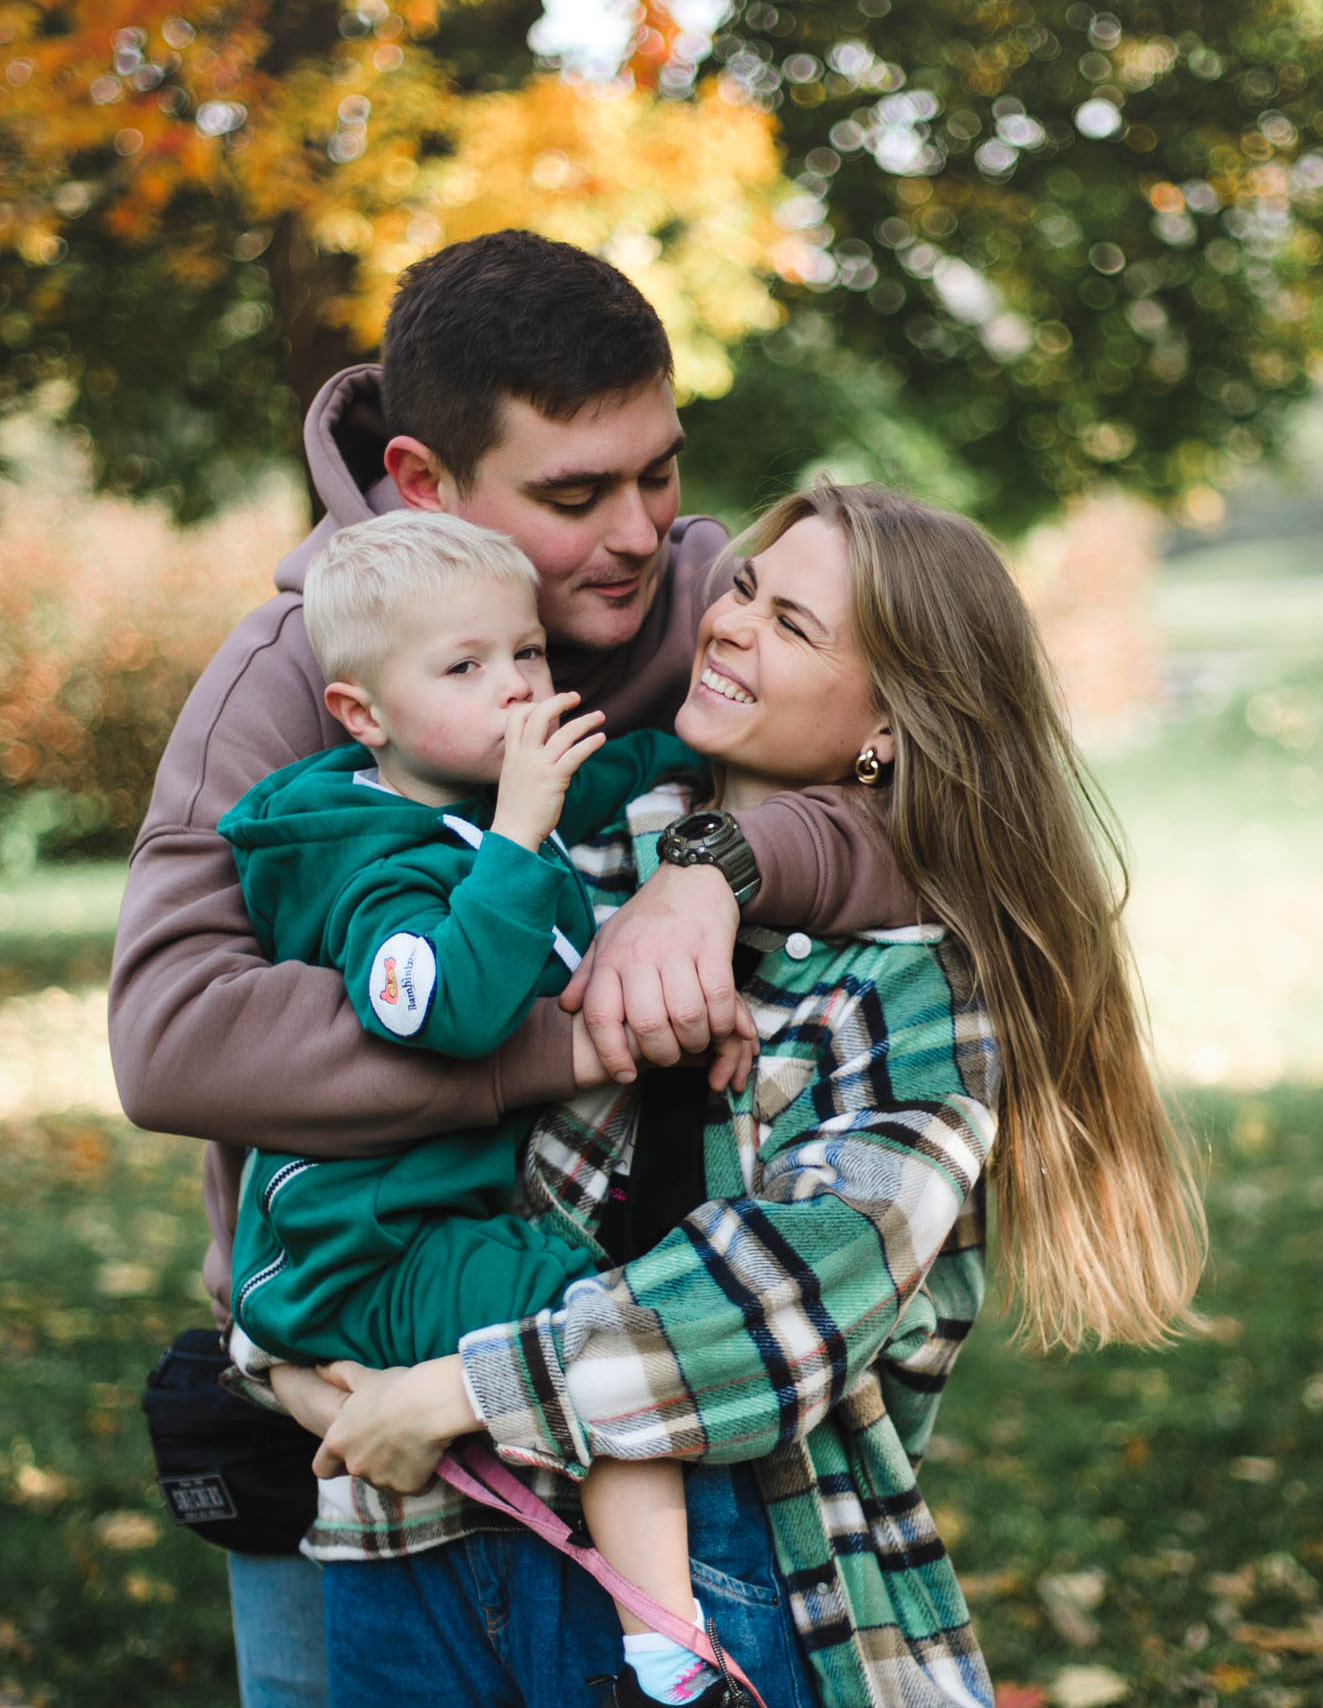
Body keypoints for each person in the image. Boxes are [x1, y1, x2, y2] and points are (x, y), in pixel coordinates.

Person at [108, 233, 913, 1708]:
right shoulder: (293, 683)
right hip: (357, 1374)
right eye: (575, 495)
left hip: (661, 1381)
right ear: (424, 480)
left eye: (659, 472)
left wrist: (711, 870)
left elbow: (925, 796)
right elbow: (174, 1042)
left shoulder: (707, 603)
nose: (643, 533)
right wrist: (563, 1038)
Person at [272, 484, 1209, 1708]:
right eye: (748, 588)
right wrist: (279, 1351)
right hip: (419, 1533)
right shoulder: (571, 847)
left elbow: (783, 1303)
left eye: (793, 625)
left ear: (892, 722)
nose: (727, 623)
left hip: (731, 1559)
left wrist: (456, 1389)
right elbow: (352, 1098)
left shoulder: (917, 993)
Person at [223, 507, 736, 1707]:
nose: (515, 686)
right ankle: (670, 1650)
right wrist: (515, 835)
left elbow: (613, 771)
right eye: (464, 667)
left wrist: (690, 764)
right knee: (594, 1334)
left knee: (591, 1329)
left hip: (419, 1216)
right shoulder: (366, 863)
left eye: (528, 652)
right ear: (361, 713)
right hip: (364, 1244)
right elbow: (443, 1009)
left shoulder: (471, 790)